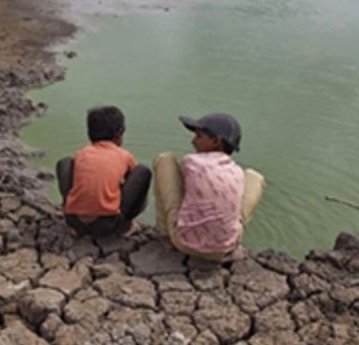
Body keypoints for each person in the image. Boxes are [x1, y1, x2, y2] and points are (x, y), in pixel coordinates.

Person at [153, 113, 264, 262]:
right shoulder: (237, 172)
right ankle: (231, 242)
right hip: (226, 248)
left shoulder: (191, 161)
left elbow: (183, 190)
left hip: (184, 244)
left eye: (199, 136)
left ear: (216, 141)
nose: (193, 141)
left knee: (164, 160)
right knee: (255, 177)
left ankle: (165, 234)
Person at [57, 106, 151, 238]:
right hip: (106, 225)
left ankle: (73, 214)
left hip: (74, 220)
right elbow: (133, 183)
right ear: (119, 134)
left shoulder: (81, 153)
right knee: (142, 172)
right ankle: (126, 226)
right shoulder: (124, 155)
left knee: (65, 162)